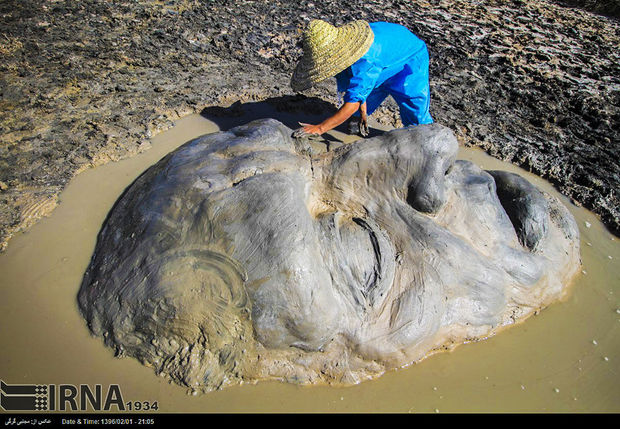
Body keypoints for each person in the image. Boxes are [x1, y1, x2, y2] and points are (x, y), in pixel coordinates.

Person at [291, 19, 433, 138]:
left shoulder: (366, 61)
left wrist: (320, 128)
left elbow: (354, 100)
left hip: (410, 58)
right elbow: (358, 89)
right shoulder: (349, 51)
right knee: (360, 106)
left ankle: (429, 138)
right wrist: (363, 111)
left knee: (415, 112)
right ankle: (359, 118)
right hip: (383, 57)